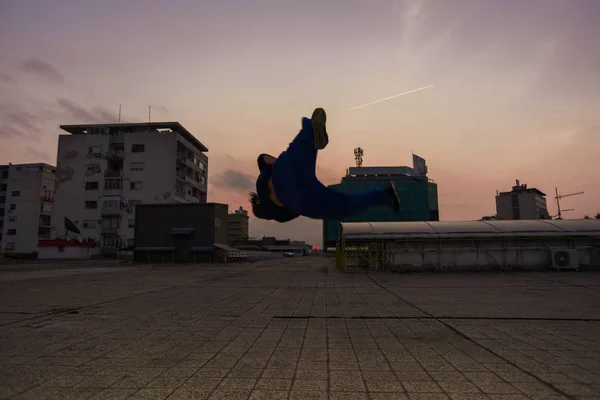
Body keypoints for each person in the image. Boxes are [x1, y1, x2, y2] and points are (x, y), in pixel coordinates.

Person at [250, 108, 400, 222]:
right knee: (298, 150)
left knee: (344, 207)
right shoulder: (262, 179)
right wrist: (285, 163)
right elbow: (263, 158)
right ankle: (310, 133)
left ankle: (386, 196)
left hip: (302, 200)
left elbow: (293, 213)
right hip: (284, 175)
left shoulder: (277, 215)